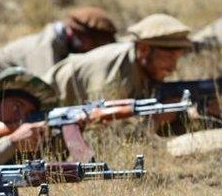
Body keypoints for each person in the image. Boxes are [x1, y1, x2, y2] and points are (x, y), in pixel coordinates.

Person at [39, 13, 199, 130]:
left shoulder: (142, 65)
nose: (173, 67)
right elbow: (106, 134)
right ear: (143, 50)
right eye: (168, 58)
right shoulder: (111, 76)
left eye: (177, 58)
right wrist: (158, 119)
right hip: (43, 113)